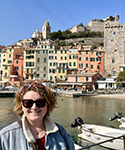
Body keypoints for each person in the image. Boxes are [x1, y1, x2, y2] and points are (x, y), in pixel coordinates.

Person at [0, 81, 75, 150]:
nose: (34, 107)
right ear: (21, 106)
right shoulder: (5, 136)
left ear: (48, 105)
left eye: (40, 102)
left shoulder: (61, 132)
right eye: (28, 103)